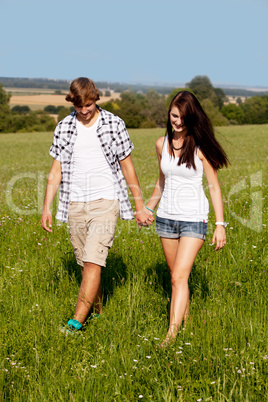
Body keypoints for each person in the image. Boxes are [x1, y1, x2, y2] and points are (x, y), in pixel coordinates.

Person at [41, 77, 153, 333]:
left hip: (106, 201)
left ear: (96, 99)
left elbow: (128, 166)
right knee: (85, 264)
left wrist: (139, 206)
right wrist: (47, 207)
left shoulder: (114, 123)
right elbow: (55, 170)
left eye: (89, 105)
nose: (84, 111)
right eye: (79, 106)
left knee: (93, 261)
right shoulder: (64, 127)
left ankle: (75, 323)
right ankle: (98, 311)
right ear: (72, 102)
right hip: (75, 203)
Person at [146, 91, 229, 345]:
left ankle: (171, 337)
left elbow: (214, 187)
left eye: (183, 118)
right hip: (166, 220)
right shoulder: (162, 144)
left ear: (191, 118)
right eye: (174, 116)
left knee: (178, 277)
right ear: (169, 114)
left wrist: (220, 224)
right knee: (176, 276)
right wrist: (149, 209)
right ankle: (185, 321)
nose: (178, 122)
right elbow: (162, 182)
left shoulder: (200, 148)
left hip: (194, 219)